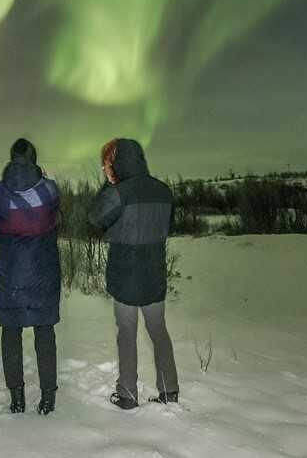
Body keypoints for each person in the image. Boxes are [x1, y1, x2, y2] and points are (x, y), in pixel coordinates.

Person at [90, 137, 179, 410]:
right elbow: (169, 227)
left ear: (116, 162)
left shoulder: (119, 193)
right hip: (154, 276)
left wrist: (109, 181)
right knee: (159, 332)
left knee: (126, 334)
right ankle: (169, 391)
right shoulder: (164, 191)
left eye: (108, 163)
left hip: (125, 277)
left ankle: (127, 394)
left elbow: (95, 217)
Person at [0, 137, 61, 415]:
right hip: (43, 274)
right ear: (34, 158)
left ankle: (16, 397)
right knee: (44, 331)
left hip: (11, 277)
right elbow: (54, 208)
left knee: (11, 332)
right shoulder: (49, 190)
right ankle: (48, 397)